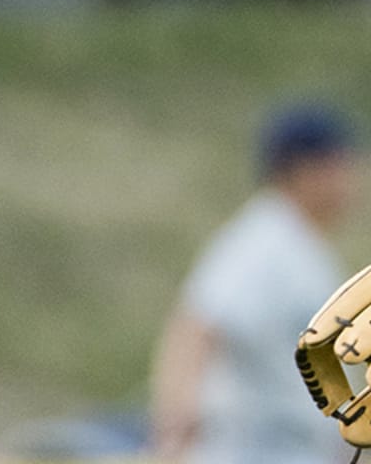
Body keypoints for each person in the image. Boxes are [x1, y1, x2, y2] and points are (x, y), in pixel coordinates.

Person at [149, 104, 360, 464]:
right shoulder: (265, 239)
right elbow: (196, 328)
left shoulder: (300, 243)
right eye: (339, 163)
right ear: (303, 169)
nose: (352, 177)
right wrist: (171, 442)